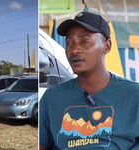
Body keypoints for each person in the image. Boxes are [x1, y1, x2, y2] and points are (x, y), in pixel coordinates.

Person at [40, 11, 139, 150]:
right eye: (69, 43)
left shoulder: (134, 96)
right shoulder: (52, 97)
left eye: (84, 42)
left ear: (107, 46)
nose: (74, 50)